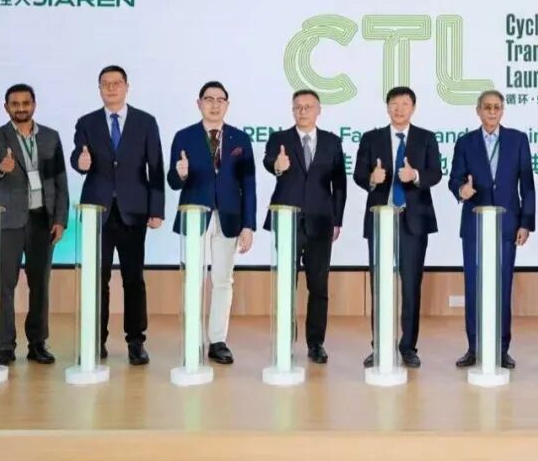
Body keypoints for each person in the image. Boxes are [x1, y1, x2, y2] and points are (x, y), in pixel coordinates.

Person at [70, 65, 165, 365]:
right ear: (99, 88)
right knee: (97, 279)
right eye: (105, 84)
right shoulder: (86, 122)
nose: (111, 88)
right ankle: (95, 340)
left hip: (134, 212)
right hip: (97, 213)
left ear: (127, 86)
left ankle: (136, 342)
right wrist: (80, 162)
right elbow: (77, 156)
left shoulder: (145, 122)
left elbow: (156, 168)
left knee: (133, 279)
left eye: (116, 83)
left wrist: (157, 209)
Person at [0, 83, 68, 366]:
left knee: (40, 285)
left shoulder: (50, 137)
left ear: (34, 105)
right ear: (6, 107)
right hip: (9, 222)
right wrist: (0, 170)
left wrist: (60, 219)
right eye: (14, 104)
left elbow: (61, 182)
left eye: (25, 103)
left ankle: (38, 344)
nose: (20, 108)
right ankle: (5, 345)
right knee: (5, 285)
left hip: (42, 220)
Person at [168, 81, 257, 365]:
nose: (215, 105)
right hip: (195, 216)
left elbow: (249, 185)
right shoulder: (184, 136)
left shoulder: (240, 139)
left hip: (229, 218)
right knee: (193, 279)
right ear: (199, 104)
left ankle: (217, 340)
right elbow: (172, 181)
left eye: (220, 100)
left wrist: (248, 225)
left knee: (223, 280)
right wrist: (180, 173)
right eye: (209, 99)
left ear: (227, 105)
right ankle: (193, 339)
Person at [353, 86, 442, 368]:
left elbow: (436, 173)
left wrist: (414, 175)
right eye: (394, 103)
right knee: (379, 284)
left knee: (411, 285)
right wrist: (372, 177)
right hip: (381, 218)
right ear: (387, 107)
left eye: (405, 104)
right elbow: (358, 174)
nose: (399, 109)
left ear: (413, 108)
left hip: (412, 220)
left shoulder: (426, 138)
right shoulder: (371, 138)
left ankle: (408, 346)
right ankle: (379, 345)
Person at [447, 90, 535, 370]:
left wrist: (526, 222)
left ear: (503, 110)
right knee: (474, 287)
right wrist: (462, 189)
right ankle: (474, 347)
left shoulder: (518, 140)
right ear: (478, 111)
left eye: (497, 107)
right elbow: (454, 179)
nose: (492, 111)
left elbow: (527, 186)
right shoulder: (465, 142)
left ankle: (501, 348)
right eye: (487, 107)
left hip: (508, 225)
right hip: (475, 224)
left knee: (502, 287)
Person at [263, 89, 347, 364]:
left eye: (308, 106)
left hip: (321, 222)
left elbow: (339, 184)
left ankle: (316, 343)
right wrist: (278, 165)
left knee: (318, 286)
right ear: (292, 110)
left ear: (318, 110)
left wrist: (337, 219)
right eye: (297, 107)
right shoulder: (279, 139)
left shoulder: (332, 142)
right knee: (286, 284)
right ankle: (285, 340)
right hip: (287, 220)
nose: (302, 111)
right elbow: (268, 162)